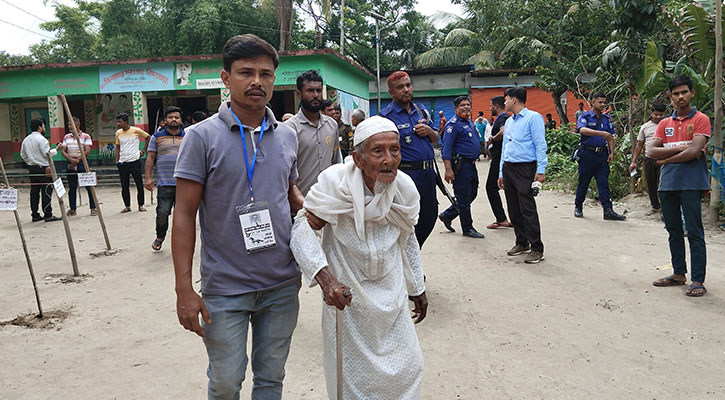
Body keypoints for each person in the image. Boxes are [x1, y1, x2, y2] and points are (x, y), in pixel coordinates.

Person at [172, 34, 305, 399]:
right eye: (246, 72)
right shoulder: (200, 138)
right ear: (226, 78)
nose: (257, 82)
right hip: (225, 288)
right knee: (226, 382)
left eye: (265, 73)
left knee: (271, 378)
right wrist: (184, 288)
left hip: (281, 284)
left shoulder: (287, 136)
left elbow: (289, 190)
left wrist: (310, 209)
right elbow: (183, 214)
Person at [290, 115, 427, 399]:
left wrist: (417, 288)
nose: (389, 159)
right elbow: (302, 228)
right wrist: (327, 281)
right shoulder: (335, 186)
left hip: (393, 295)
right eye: (378, 151)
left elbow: (407, 237)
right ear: (358, 159)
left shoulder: (404, 189)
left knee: (409, 367)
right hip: (349, 299)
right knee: (353, 380)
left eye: (395, 150)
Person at [650, 75, 711, 297]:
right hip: (667, 184)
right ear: (670, 97)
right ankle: (678, 273)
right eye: (676, 93)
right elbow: (651, 152)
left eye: (684, 92)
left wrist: (665, 159)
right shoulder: (664, 123)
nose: (680, 96)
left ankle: (698, 280)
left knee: (694, 231)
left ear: (691, 93)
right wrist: (681, 151)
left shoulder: (701, 119)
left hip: (692, 184)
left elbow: (695, 151)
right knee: (673, 230)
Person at [379, 71, 438, 248]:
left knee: (430, 216)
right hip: (406, 174)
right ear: (391, 92)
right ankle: (407, 263)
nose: (406, 90)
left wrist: (429, 131)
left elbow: (435, 139)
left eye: (408, 85)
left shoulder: (421, 110)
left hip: (428, 173)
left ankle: (412, 255)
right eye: (400, 87)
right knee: (406, 220)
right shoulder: (386, 117)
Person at [496, 87, 547, 264]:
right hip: (509, 167)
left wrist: (540, 170)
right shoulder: (509, 122)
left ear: (514, 100)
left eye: (506, 99)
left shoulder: (533, 118)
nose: (504, 102)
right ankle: (521, 242)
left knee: (527, 207)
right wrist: (502, 172)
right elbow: (505, 148)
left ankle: (537, 248)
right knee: (513, 207)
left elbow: (540, 145)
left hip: (526, 168)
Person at [284, 70, 340, 196]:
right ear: (299, 94)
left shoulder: (332, 125)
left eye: (319, 91)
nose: (315, 95)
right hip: (301, 203)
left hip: (328, 199)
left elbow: (335, 163)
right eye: (310, 91)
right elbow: (285, 172)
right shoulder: (289, 129)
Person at [573, 92, 626, 220]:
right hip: (587, 154)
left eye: (604, 102)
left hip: (602, 155)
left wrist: (612, 152)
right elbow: (582, 130)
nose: (602, 105)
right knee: (583, 182)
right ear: (592, 102)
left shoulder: (606, 119)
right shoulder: (585, 116)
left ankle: (608, 210)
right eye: (600, 102)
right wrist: (600, 133)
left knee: (603, 182)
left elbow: (610, 137)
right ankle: (578, 206)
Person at [438, 96, 484, 238]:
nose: (466, 107)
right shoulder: (453, 125)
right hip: (460, 166)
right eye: (462, 105)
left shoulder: (469, 121)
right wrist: (448, 169)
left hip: (471, 165)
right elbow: (446, 149)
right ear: (456, 108)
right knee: (463, 197)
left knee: (472, 194)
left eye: (468, 104)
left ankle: (448, 215)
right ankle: (467, 228)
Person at [145, 106, 185, 251]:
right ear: (165, 120)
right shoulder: (156, 137)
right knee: (162, 212)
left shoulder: (188, 136)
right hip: (165, 183)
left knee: (183, 215)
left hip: (184, 183)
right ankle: (160, 237)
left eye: (176, 117)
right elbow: (150, 157)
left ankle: (182, 241)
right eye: (170, 117)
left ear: (180, 119)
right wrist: (148, 178)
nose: (173, 120)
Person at [20, 119, 61, 222]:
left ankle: (35, 214)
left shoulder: (26, 140)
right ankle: (48, 214)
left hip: (32, 168)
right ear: (39, 127)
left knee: (34, 192)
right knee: (46, 190)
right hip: (43, 168)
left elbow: (23, 155)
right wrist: (56, 149)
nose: (44, 128)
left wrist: (30, 161)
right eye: (43, 126)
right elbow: (47, 154)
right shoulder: (42, 140)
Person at [629, 102, 667, 213]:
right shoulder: (645, 127)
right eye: (656, 114)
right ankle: (655, 206)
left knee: (664, 183)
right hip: (649, 159)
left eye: (661, 114)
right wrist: (634, 161)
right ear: (651, 113)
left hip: (665, 159)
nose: (658, 117)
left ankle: (665, 208)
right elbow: (639, 145)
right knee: (651, 183)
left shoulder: (668, 125)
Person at [114, 112, 150, 213]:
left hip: (135, 161)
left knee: (139, 184)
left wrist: (143, 150)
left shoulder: (136, 130)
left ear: (126, 122)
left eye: (120, 121)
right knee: (124, 186)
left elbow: (148, 138)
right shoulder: (118, 133)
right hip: (123, 162)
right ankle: (127, 206)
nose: (118, 123)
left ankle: (141, 205)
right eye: (118, 121)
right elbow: (118, 147)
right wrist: (116, 159)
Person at [61, 116, 96, 216]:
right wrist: (71, 160)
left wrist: (78, 160)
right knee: (72, 187)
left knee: (89, 186)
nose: (69, 126)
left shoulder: (86, 136)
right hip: (70, 162)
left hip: (82, 163)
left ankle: (93, 208)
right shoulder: (66, 137)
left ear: (77, 125)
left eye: (70, 124)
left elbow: (87, 150)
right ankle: (72, 208)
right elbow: (63, 151)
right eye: (68, 124)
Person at [486, 96, 512, 229]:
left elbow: (503, 132)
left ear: (496, 106)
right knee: (509, 188)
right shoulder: (507, 118)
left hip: (499, 158)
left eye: (491, 106)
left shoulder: (502, 118)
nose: (490, 108)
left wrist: (492, 138)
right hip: (505, 157)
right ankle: (514, 218)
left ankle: (501, 218)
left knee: (491, 187)